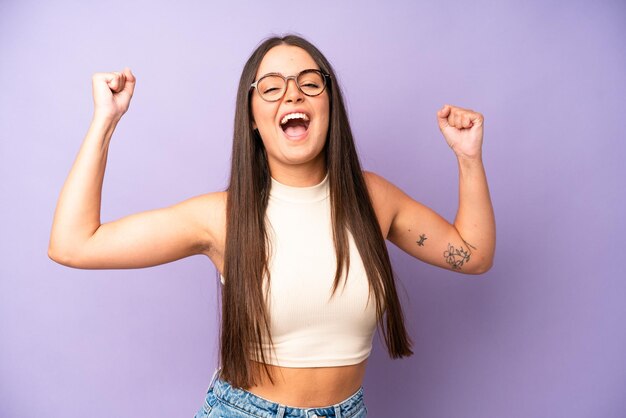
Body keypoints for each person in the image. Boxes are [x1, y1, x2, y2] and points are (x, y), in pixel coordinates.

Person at [48, 34, 495, 417]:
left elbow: (472, 255)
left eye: (308, 83)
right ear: (254, 119)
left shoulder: (373, 199)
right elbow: (74, 243)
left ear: (329, 103)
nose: (293, 95)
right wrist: (105, 121)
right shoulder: (222, 216)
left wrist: (468, 158)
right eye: (272, 88)